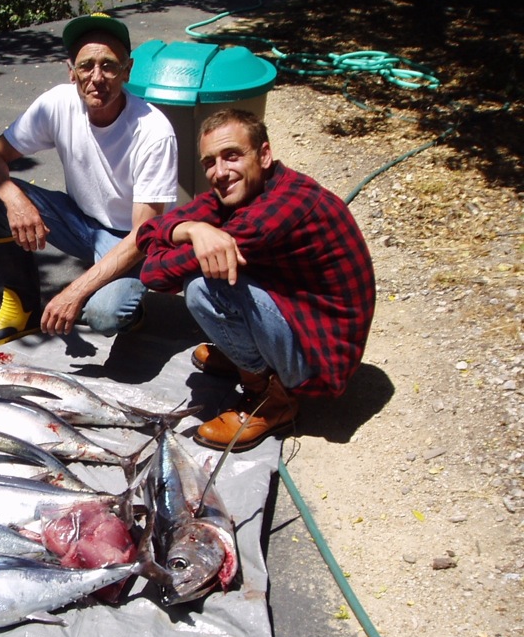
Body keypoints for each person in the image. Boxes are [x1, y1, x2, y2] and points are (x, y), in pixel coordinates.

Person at [136, 108, 376, 452]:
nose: (219, 172)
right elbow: (148, 234)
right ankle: (248, 359)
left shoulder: (279, 210)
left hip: (318, 360)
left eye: (232, 156)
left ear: (264, 155)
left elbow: (155, 275)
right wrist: (192, 228)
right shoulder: (241, 193)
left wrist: (187, 238)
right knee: (211, 262)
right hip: (297, 311)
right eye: (209, 162)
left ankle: (272, 400)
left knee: (203, 286)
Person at [0, 13, 178, 349]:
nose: (97, 77)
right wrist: (15, 199)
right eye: (86, 66)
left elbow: (144, 235)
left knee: (104, 315)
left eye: (109, 66)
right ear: (71, 71)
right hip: (79, 221)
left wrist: (74, 291)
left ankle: (131, 309)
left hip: (130, 239)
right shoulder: (57, 103)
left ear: (127, 70)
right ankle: (20, 309)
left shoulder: (153, 131)